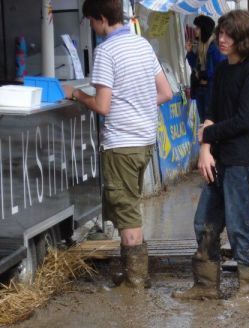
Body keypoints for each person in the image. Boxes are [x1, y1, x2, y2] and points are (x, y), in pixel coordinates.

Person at [64, 0, 172, 289]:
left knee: (126, 213)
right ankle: (132, 273)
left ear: (101, 18)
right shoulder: (142, 45)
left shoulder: (106, 51)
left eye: (91, 21)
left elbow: (102, 105)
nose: (91, 27)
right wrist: (137, 105)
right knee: (130, 206)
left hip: (121, 143)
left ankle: (136, 279)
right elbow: (165, 92)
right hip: (145, 141)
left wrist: (76, 95)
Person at [173, 10, 249, 302]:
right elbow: (211, 112)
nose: (222, 40)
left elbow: (245, 120)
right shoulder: (223, 69)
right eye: (221, 34)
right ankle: (205, 285)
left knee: (242, 223)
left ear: (245, 39)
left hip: (242, 158)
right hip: (218, 158)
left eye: (229, 35)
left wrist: (207, 136)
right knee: (204, 221)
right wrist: (205, 150)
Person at [186, 15, 225, 123]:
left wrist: (205, 75)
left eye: (197, 28)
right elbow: (195, 65)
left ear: (204, 29)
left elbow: (219, 68)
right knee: (203, 121)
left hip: (210, 89)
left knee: (210, 121)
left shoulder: (214, 46)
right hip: (200, 89)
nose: (195, 30)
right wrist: (189, 52)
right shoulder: (200, 44)